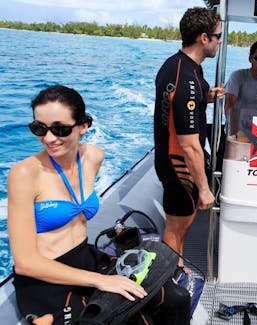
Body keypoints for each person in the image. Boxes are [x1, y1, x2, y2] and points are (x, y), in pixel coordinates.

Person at [8, 85, 190, 325]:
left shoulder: (93, 157)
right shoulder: (24, 174)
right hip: (46, 278)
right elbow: (25, 263)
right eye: (39, 128)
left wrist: (100, 277)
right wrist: (101, 281)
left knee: (177, 298)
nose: (49, 138)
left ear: (83, 126)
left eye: (60, 129)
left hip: (86, 258)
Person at [153, 7, 224, 265]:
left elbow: (179, 107)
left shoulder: (179, 66)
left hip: (172, 158)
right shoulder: (187, 79)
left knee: (182, 224)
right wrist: (205, 189)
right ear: (203, 38)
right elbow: (190, 145)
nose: (220, 41)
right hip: (178, 164)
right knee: (176, 227)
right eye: (218, 36)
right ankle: (170, 279)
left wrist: (206, 97)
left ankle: (177, 268)